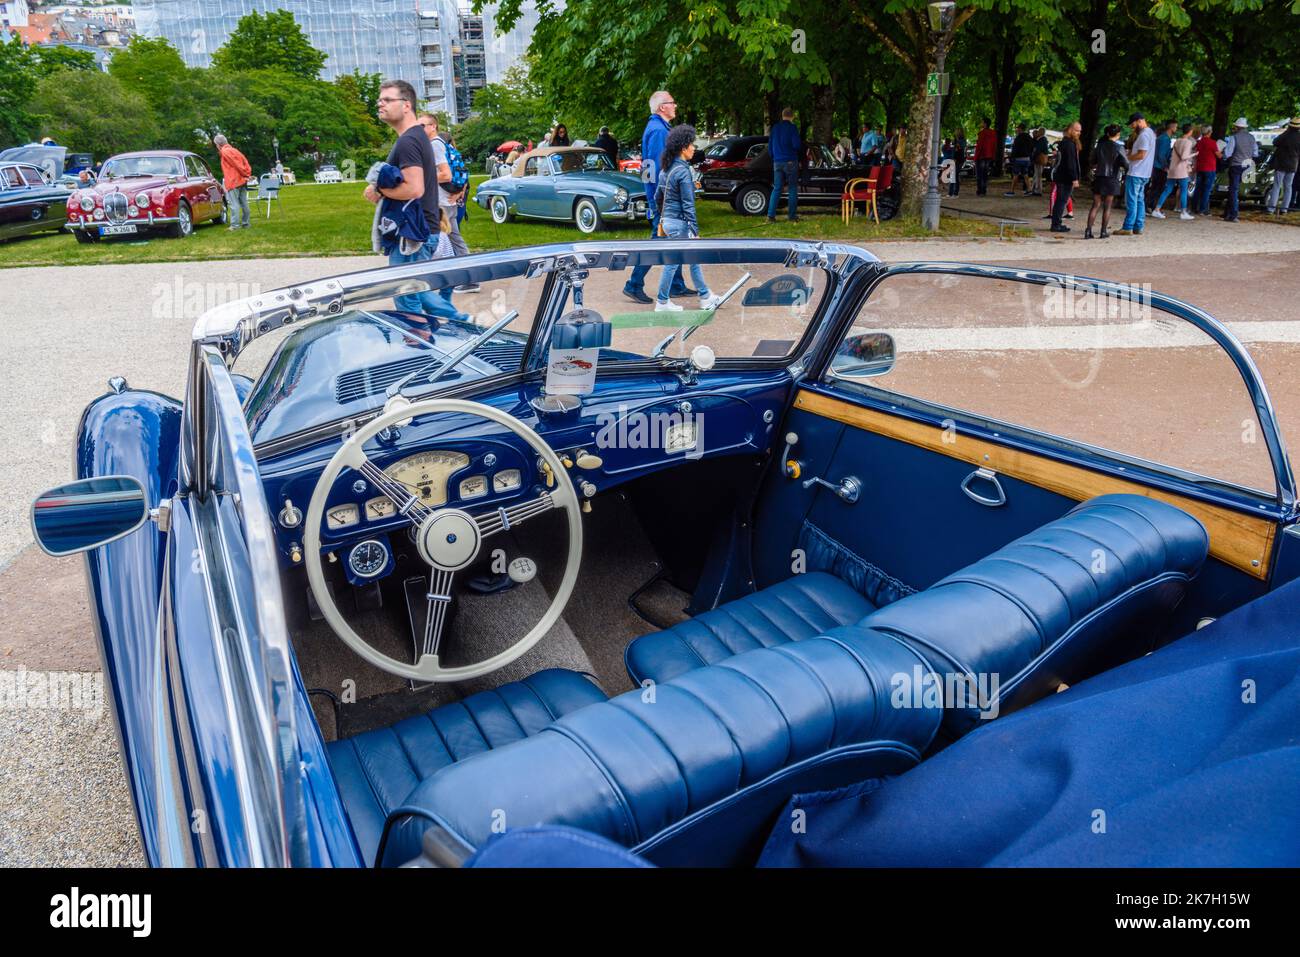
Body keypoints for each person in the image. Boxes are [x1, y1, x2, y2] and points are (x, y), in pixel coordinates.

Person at [366, 79, 465, 322]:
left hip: (412, 234)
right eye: (380, 100)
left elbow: (414, 188)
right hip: (423, 231)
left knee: (407, 299)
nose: (380, 104)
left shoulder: (409, 140)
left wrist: (378, 190)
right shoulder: (417, 136)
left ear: (406, 105)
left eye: (387, 100)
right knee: (419, 293)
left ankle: (419, 348)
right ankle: (463, 323)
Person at [623, 90, 692, 304]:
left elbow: (646, 167)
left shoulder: (658, 128)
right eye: (672, 102)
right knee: (659, 241)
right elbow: (654, 166)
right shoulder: (658, 131)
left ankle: (676, 285)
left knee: (673, 239)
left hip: (661, 196)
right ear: (663, 107)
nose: (676, 105)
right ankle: (633, 285)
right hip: (664, 198)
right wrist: (658, 197)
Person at [654, 124, 725, 313]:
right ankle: (663, 302)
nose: (694, 148)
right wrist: (694, 230)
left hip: (668, 222)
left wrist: (665, 216)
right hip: (680, 223)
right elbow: (688, 204)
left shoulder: (665, 171)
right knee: (673, 263)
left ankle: (704, 295)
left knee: (691, 259)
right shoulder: (683, 171)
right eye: (691, 145)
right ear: (683, 148)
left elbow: (657, 198)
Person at [418, 113, 476, 292]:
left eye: (422, 126)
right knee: (453, 239)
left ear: (433, 126)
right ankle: (469, 279)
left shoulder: (435, 145)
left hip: (441, 201)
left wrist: (421, 178)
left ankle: (433, 280)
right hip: (445, 200)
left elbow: (445, 175)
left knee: (433, 240)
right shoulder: (441, 144)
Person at [1114, 112, 1155, 235]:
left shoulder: (1144, 135)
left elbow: (1141, 154)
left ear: (1139, 121)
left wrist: (1127, 157)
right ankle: (1138, 226)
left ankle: (1128, 227)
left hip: (1137, 172)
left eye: (1132, 123)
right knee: (1139, 200)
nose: (1131, 126)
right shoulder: (1151, 134)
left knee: (1131, 200)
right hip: (1145, 172)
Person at [1085, 124, 1128, 239]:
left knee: (1095, 205)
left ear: (1107, 134)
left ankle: (1088, 230)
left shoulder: (1099, 147)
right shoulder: (1119, 148)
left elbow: (1092, 161)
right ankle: (1103, 231)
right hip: (1112, 178)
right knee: (1107, 206)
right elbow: (1126, 163)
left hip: (1099, 177)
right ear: (1118, 135)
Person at [1151, 123, 1197, 220]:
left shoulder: (1177, 141)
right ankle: (1183, 212)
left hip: (1173, 169)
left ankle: (1157, 209)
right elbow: (1184, 157)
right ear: (1190, 131)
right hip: (1182, 170)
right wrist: (1194, 155)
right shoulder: (1188, 143)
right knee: (1184, 190)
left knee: (1167, 190)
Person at [766, 106, 802, 223]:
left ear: (782, 115)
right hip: (790, 161)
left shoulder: (775, 128)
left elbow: (770, 147)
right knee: (792, 188)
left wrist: (775, 157)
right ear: (792, 116)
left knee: (777, 188)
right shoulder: (792, 128)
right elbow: (797, 145)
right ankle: (791, 216)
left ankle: (770, 216)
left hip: (777, 162)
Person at [1221, 117, 1258, 222]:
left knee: (1233, 190)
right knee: (1234, 189)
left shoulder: (1234, 137)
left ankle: (1233, 214)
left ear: (1237, 127)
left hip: (1236, 165)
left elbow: (1228, 153)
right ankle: (1227, 213)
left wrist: (1223, 155)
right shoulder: (1252, 138)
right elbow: (1255, 153)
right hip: (1247, 166)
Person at [213, 134, 252, 230]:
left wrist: (244, 174)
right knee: (244, 203)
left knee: (234, 204)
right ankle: (246, 223)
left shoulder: (225, 152)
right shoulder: (235, 150)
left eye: (216, 144)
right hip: (242, 181)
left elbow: (237, 165)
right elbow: (245, 162)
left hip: (233, 181)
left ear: (218, 144)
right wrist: (247, 175)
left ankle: (235, 225)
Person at [1049, 122, 1081, 232]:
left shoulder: (1064, 143)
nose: (1079, 133)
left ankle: (1056, 223)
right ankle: (1056, 224)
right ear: (1070, 130)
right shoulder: (1069, 145)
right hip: (1065, 177)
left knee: (1061, 200)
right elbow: (1070, 163)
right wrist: (1074, 178)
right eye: (1077, 130)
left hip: (1061, 175)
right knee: (1061, 201)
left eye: (1079, 131)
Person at [1267, 117, 1300, 215]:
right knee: (1288, 187)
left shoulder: (1285, 135)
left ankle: (1271, 208)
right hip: (1293, 164)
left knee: (1277, 186)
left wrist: (1286, 131)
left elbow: (1274, 142)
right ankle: (1284, 209)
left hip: (1281, 164)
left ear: (1290, 126)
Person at [1147, 119, 1176, 213]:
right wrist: (1165, 166)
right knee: (1158, 188)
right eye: (1175, 126)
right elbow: (1161, 155)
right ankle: (1152, 206)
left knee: (1155, 187)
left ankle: (1150, 206)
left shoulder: (1161, 138)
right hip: (1159, 167)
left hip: (1156, 166)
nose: (1176, 128)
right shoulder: (1165, 139)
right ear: (1171, 127)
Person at [1192, 124, 1221, 215]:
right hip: (1210, 168)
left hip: (1200, 167)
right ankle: (1203, 210)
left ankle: (1194, 207)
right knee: (1206, 190)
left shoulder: (1199, 142)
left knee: (1198, 189)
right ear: (1209, 132)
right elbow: (1219, 155)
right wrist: (1222, 152)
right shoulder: (1212, 143)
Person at [1006, 123, 1034, 195]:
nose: (1016, 129)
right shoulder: (1029, 137)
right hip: (1027, 159)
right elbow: (1032, 147)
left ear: (1020, 129)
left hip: (1018, 159)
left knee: (1015, 175)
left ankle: (1012, 191)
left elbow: (1015, 149)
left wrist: (1012, 158)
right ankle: (1029, 189)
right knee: (1025, 175)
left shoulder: (1018, 138)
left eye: (1017, 128)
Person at [974, 117, 997, 195]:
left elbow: (979, 146)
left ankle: (979, 190)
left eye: (982, 122)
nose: (981, 123)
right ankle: (984, 190)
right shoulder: (993, 133)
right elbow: (994, 145)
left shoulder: (982, 133)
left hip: (981, 156)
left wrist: (976, 157)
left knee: (979, 174)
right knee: (985, 174)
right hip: (988, 156)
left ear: (985, 124)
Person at [1030, 127, 1050, 196]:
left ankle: (1038, 190)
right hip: (1041, 159)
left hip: (1039, 159)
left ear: (1041, 132)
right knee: (1037, 174)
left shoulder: (1041, 140)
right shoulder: (1043, 140)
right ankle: (1034, 188)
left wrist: (1032, 157)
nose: (1037, 132)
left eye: (1038, 131)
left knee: (1038, 175)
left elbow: (1037, 150)